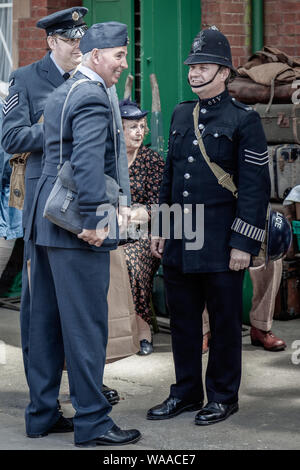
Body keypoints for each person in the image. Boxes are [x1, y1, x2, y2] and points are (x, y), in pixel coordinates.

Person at [22, 22, 141, 447]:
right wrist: (94, 219)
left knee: (47, 325)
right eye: (119, 56)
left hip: (49, 224)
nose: (124, 65)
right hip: (77, 228)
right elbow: (89, 162)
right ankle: (93, 421)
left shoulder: (66, 90)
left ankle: (40, 415)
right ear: (95, 55)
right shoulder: (92, 95)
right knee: (87, 328)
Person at [148, 27, 271, 425]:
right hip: (183, 237)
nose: (194, 73)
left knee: (222, 324)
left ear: (224, 72)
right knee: (182, 323)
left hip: (221, 241)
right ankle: (185, 392)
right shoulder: (182, 113)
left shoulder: (244, 120)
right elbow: (171, 176)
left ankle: (222, 395)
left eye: (203, 67)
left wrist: (243, 244)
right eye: (192, 67)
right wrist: (161, 228)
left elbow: (255, 189)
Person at [1, 7, 120, 406]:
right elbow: (12, 137)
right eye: (69, 40)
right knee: (44, 316)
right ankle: (47, 401)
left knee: (79, 311)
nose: (76, 46)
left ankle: (86, 390)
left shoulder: (95, 80)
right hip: (45, 207)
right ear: (51, 41)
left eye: (80, 40)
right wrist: (61, 123)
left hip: (86, 203)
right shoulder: (27, 79)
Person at [119, 99, 164, 355]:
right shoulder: (107, 158)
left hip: (145, 234)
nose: (139, 132)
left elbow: (162, 206)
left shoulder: (151, 160)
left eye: (142, 126)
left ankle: (142, 328)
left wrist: (135, 213)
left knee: (129, 261)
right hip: (108, 230)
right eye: (132, 127)